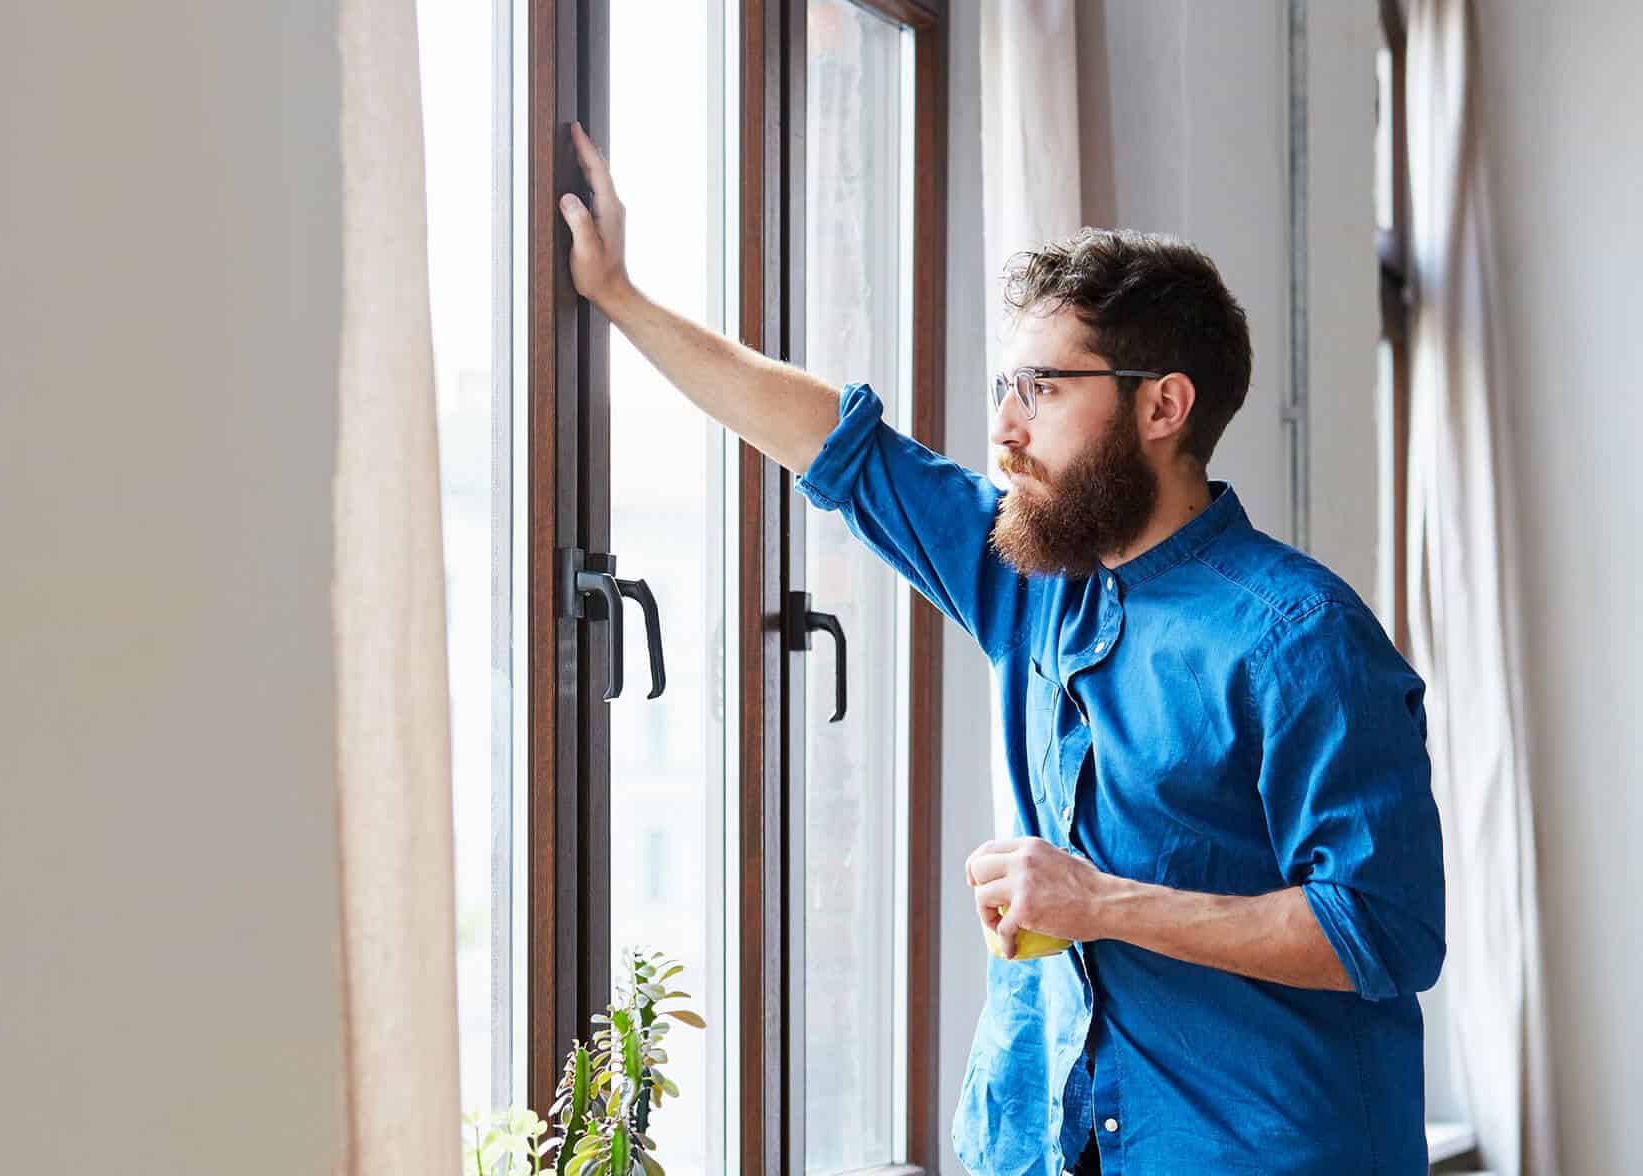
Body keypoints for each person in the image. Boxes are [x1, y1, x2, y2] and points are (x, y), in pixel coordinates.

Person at [557, 120, 1445, 1175]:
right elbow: (829, 440)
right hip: (1033, 1140)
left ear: (1162, 406)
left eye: (1045, 390)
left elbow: (1381, 931)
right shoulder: (1031, 575)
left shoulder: (1301, 639)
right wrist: (619, 296)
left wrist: (1097, 902)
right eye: (1004, 390)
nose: (1007, 428)